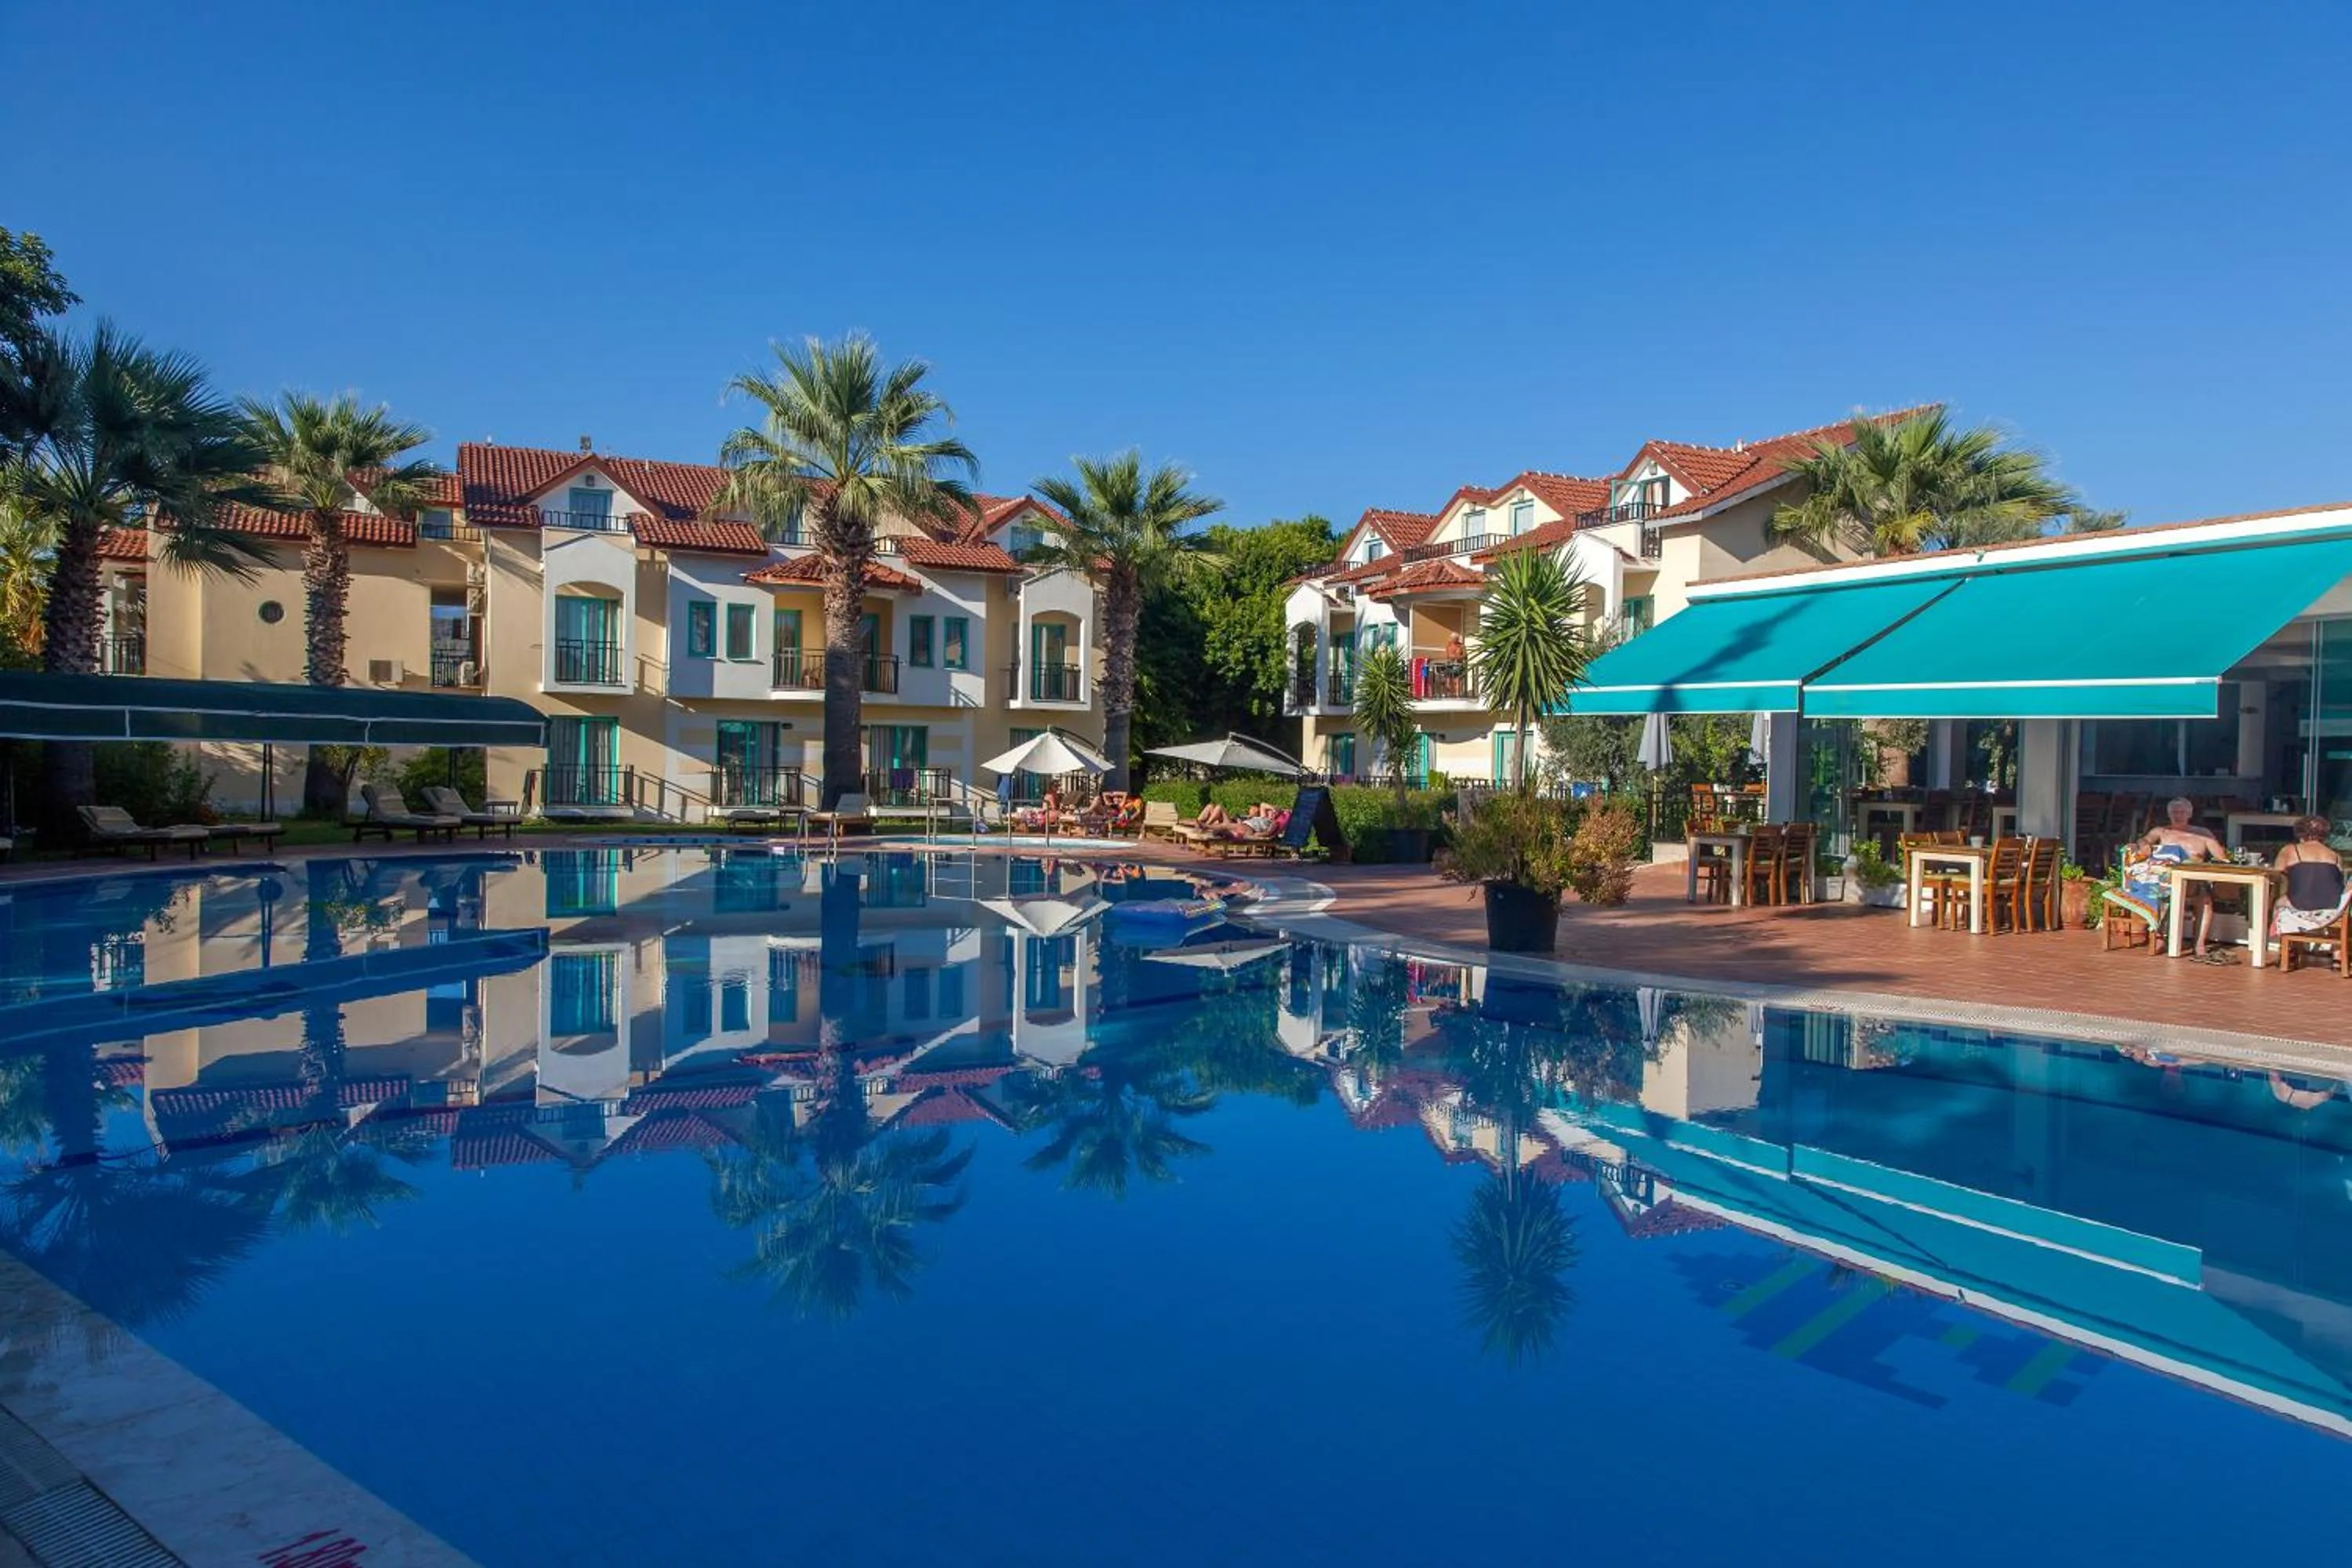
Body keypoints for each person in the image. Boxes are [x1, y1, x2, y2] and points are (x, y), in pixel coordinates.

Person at [2121, 797, 2226, 959]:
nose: (2178, 815)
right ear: (2169, 814)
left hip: (2192, 881)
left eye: (2182, 812)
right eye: (2175, 812)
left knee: (2205, 899)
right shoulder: (2161, 831)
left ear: (2189, 814)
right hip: (2162, 880)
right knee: (2163, 892)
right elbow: (2144, 840)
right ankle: (2160, 936)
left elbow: (2221, 858)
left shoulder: (2203, 834)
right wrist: (2144, 844)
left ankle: (2199, 944)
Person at [2274, 815, 2349, 938]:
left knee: (2278, 903)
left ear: (2300, 833)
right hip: (2331, 912)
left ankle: (2284, 946)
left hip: (2300, 907)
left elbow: (2275, 875)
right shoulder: (2336, 856)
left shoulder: (2290, 850)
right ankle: (2337, 953)